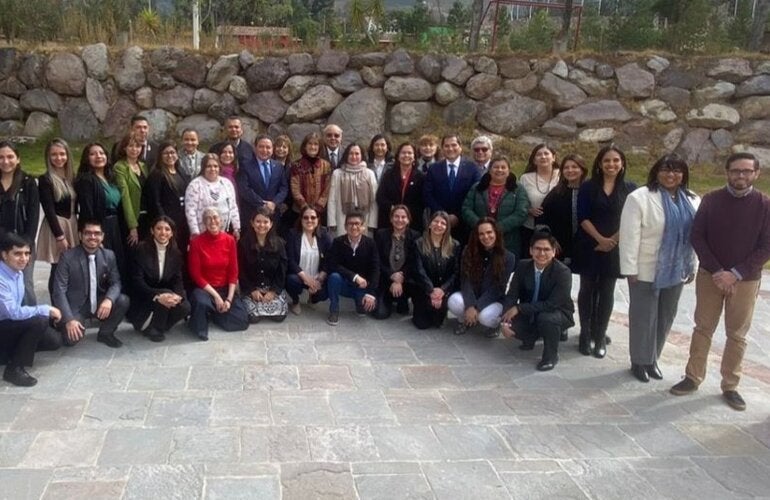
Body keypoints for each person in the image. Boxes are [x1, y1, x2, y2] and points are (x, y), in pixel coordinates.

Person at [670, 152, 770, 411]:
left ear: (756, 174)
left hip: (745, 280)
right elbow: (697, 236)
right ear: (727, 172)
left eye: (747, 171)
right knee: (703, 328)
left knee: (737, 334)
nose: (741, 175)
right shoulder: (712, 200)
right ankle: (693, 377)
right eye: (736, 170)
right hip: (710, 276)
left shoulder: (765, 204)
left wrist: (735, 273)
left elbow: (766, 246)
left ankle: (730, 385)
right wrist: (717, 270)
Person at [619, 154, 700, 383]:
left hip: (677, 268)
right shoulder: (639, 198)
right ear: (656, 172)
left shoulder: (693, 199)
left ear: (683, 174)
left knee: (666, 315)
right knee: (643, 317)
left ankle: (653, 359)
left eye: (676, 170)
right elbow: (629, 236)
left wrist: (693, 265)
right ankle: (639, 361)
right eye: (665, 169)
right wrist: (630, 268)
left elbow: (695, 236)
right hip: (645, 268)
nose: (670, 175)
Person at [573, 145, 636, 358]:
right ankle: (585, 333)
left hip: (615, 246)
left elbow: (631, 219)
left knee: (607, 291)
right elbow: (582, 216)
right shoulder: (588, 187)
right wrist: (600, 239)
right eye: (607, 160)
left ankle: (600, 336)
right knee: (587, 289)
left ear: (622, 163)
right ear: (599, 164)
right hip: (589, 243)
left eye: (616, 160)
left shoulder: (630, 188)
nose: (611, 164)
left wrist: (611, 241)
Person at [501, 228, 574, 371]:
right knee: (513, 322)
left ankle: (550, 356)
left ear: (554, 252)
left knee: (547, 319)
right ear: (530, 250)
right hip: (532, 310)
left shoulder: (563, 272)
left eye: (546, 249)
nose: (541, 253)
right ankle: (530, 337)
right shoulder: (522, 266)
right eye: (537, 249)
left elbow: (552, 304)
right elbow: (511, 295)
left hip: (557, 312)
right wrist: (504, 321)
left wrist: (519, 308)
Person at [53, 220, 130, 349]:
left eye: (97, 233)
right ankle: (59, 324)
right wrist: (69, 319)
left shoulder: (109, 255)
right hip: (76, 307)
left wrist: (109, 299)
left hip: (99, 302)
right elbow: (59, 291)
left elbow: (116, 282)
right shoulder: (67, 257)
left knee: (123, 300)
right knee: (70, 340)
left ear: (102, 236)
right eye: (88, 233)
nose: (93, 237)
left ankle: (106, 333)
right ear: (80, 235)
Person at [0, 233, 62, 387]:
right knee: (39, 320)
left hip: (8, 324)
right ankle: (14, 369)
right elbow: (13, 312)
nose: (24, 258)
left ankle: (7, 354)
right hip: (4, 323)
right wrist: (45, 309)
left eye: (27, 253)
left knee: (54, 341)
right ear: (4, 255)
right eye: (17, 254)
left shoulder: (17, 273)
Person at [187, 207, 249, 341]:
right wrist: (216, 297)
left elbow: (233, 271)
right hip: (205, 289)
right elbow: (196, 274)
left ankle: (213, 314)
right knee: (201, 304)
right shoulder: (196, 242)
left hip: (225, 288)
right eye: (208, 219)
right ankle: (204, 317)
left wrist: (229, 299)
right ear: (204, 223)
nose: (212, 221)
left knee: (242, 321)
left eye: (215, 217)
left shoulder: (230, 240)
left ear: (221, 221)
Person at [448, 217, 516, 337]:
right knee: (454, 301)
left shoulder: (508, 257)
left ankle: (493, 326)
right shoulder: (468, 251)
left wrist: (477, 307)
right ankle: (465, 320)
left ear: (496, 233)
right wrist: (470, 305)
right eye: (481, 234)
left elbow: (498, 288)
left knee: (485, 317)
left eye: (489, 232)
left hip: (493, 300)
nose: (486, 237)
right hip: (473, 295)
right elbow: (465, 280)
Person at [128, 216, 190, 342]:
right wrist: (157, 296)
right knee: (165, 293)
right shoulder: (141, 249)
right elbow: (137, 281)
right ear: (152, 231)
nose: (163, 232)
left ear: (172, 233)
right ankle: (152, 327)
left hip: (164, 295)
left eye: (167, 229)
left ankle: (157, 326)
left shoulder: (176, 253)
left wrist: (177, 296)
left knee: (185, 307)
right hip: (144, 296)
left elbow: (178, 280)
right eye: (159, 228)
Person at [74, 143, 127, 284]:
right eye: (93, 154)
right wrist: (96, 236)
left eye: (101, 153)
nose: (98, 156)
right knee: (102, 266)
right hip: (100, 226)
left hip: (115, 225)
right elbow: (87, 210)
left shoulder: (111, 178)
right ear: (87, 158)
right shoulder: (86, 180)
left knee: (117, 265)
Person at [462, 156, 530, 257]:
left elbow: (521, 212)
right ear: (489, 170)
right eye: (496, 167)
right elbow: (466, 209)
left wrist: (498, 228)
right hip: (480, 238)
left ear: (509, 170)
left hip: (508, 241)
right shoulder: (477, 187)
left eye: (503, 167)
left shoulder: (518, 188)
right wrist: (482, 227)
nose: (499, 170)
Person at [36, 138, 78, 298]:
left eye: (62, 154)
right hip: (57, 226)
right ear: (48, 157)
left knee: (70, 268)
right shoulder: (46, 179)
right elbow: (49, 210)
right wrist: (60, 236)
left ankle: (67, 302)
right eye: (54, 154)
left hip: (72, 223)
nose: (58, 158)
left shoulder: (72, 177)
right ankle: (56, 306)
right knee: (58, 268)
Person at [0, 141, 39, 306]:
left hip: (22, 244)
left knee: (25, 286)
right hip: (0, 243)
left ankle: (32, 318)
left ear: (18, 159)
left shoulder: (28, 182)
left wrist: (26, 246)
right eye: (1, 157)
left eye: (10, 157)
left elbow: (33, 216)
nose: (5, 161)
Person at [423, 134, 481, 244]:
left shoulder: (472, 168)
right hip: (438, 223)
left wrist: (457, 215)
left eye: (454, 145)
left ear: (460, 147)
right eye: (447, 146)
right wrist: (442, 215)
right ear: (442, 148)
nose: (450, 149)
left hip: (463, 223)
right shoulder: (434, 168)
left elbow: (475, 195)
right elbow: (427, 194)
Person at [408, 211, 461, 330]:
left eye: (443, 223)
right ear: (430, 224)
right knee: (422, 324)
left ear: (447, 227)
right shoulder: (419, 243)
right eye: (436, 221)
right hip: (423, 289)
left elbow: (455, 272)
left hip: (443, 290)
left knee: (437, 322)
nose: (439, 225)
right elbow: (418, 270)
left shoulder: (454, 245)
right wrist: (431, 290)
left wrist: (442, 290)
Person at [326, 212, 379, 326]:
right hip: (344, 283)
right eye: (350, 224)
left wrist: (371, 293)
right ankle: (334, 310)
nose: (354, 227)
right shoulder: (338, 242)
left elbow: (375, 269)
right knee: (334, 277)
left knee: (367, 310)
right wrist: (354, 276)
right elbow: (332, 264)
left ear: (363, 226)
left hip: (362, 286)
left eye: (357, 224)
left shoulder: (371, 243)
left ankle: (359, 303)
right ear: (345, 226)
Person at [238, 207, 289, 323]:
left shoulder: (279, 243)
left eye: (266, 222)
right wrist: (251, 290)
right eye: (258, 221)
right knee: (253, 318)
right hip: (252, 288)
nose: (261, 225)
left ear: (271, 224)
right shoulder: (243, 243)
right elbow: (240, 270)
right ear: (252, 223)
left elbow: (282, 269)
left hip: (271, 287)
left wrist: (274, 291)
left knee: (279, 316)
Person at [537, 154, 588, 269]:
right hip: (560, 247)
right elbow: (542, 216)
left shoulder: (591, 191)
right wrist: (549, 238)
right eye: (566, 167)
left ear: (582, 169)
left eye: (574, 167)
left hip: (587, 247)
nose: (570, 170)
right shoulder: (556, 193)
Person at [373, 205, 419, 320]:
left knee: (402, 310)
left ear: (408, 220)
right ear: (391, 218)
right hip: (385, 279)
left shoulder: (415, 236)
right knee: (380, 314)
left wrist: (401, 277)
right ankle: (389, 298)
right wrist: (391, 275)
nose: (400, 220)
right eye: (396, 216)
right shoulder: (381, 234)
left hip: (406, 281)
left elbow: (414, 262)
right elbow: (376, 260)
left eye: (403, 217)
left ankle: (402, 299)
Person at [143, 141, 190, 254]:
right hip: (168, 220)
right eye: (166, 153)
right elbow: (155, 201)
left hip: (182, 220)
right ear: (160, 156)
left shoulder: (181, 172)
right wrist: (163, 221)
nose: (170, 156)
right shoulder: (157, 175)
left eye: (172, 152)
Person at [285, 205, 332, 314]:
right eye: (305, 217)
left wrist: (320, 278)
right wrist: (306, 278)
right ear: (301, 219)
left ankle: (313, 299)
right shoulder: (292, 234)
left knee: (325, 292)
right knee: (291, 280)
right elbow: (290, 260)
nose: (309, 220)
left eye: (313, 217)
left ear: (318, 219)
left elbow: (330, 258)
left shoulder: (324, 235)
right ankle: (295, 301)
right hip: (299, 276)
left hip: (317, 277)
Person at [185, 153, 240, 240]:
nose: (212, 169)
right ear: (203, 168)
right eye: (209, 166)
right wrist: (195, 232)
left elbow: (233, 207)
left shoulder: (227, 183)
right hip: (202, 234)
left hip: (223, 233)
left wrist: (237, 228)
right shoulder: (195, 185)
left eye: (215, 166)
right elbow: (190, 211)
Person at [327, 143, 378, 237]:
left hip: (364, 217)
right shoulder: (337, 174)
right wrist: (332, 222)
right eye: (351, 153)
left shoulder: (369, 173)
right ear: (346, 155)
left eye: (357, 153)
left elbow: (374, 199)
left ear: (362, 155)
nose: (354, 156)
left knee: (363, 243)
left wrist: (372, 223)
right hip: (342, 217)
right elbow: (332, 200)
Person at [519, 144, 560, 257]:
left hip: (558, 227)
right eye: (539, 154)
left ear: (553, 157)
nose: (543, 157)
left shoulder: (562, 175)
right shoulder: (525, 178)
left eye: (546, 153)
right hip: (531, 227)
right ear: (534, 160)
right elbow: (520, 201)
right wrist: (528, 210)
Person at [238, 135, 288, 223]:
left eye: (268, 147)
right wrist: (262, 203)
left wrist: (274, 203)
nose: (264, 150)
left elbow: (283, 188)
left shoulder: (278, 166)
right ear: (255, 148)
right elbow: (244, 189)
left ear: (272, 149)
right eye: (261, 147)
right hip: (252, 214)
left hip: (273, 214)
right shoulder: (245, 166)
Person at [376, 142, 425, 233]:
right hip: (389, 220)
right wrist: (393, 209)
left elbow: (422, 201)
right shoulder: (388, 174)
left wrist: (405, 213)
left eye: (409, 153)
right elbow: (380, 196)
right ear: (398, 156)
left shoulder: (421, 177)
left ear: (414, 157)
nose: (406, 155)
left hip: (412, 222)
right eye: (403, 153)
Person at [113, 133, 149, 247]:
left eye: (137, 146)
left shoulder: (143, 166)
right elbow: (125, 196)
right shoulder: (120, 167)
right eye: (130, 146)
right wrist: (132, 226)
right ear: (124, 148)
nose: (134, 149)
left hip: (146, 216)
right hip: (132, 218)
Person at [290, 132, 332, 225]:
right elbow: (295, 187)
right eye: (310, 144)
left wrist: (318, 206)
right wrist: (304, 206)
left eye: (316, 144)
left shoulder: (326, 166)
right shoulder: (296, 165)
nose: (313, 147)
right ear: (305, 146)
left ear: (319, 147)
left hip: (320, 211)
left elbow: (327, 189)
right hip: (300, 211)